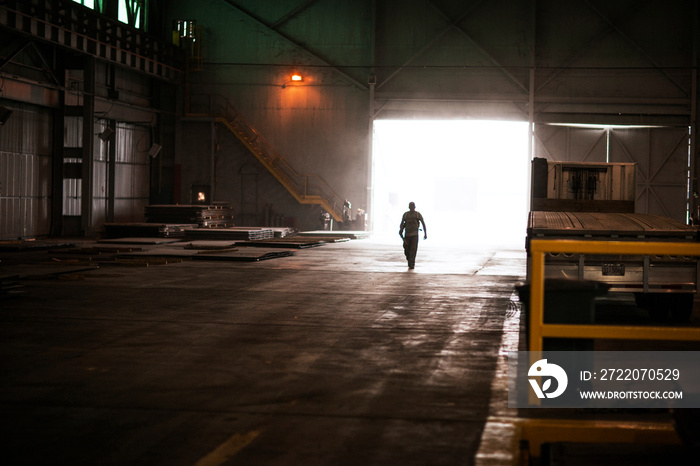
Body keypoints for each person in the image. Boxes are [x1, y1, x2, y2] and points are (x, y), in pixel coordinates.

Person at [399, 202, 427, 269]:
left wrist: (425, 233)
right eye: (410, 206)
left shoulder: (417, 214)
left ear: (415, 207)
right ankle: (409, 259)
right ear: (409, 207)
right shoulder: (406, 214)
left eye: (413, 206)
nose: (412, 207)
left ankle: (411, 263)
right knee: (406, 249)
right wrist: (401, 230)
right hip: (407, 235)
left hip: (415, 235)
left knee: (413, 249)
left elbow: (423, 223)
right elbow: (402, 223)